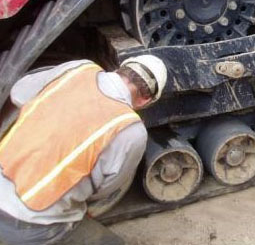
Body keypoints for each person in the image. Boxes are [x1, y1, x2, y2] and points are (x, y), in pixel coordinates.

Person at [0, 56, 168, 245]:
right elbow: (105, 189)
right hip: (29, 224)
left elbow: (18, 93)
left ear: (120, 69)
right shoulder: (130, 129)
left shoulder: (79, 68)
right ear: (145, 101)